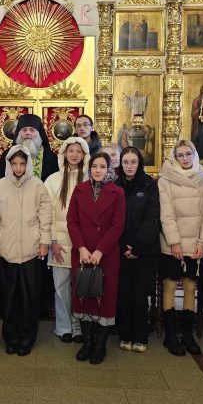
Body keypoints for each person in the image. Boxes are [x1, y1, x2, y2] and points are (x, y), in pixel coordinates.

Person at [0, 145, 52, 356]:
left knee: (29, 296)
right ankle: (10, 336)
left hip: (31, 251)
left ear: (28, 164)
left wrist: (44, 243)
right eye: (14, 163)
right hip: (6, 250)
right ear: (8, 164)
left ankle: (27, 336)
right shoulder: (0, 185)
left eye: (22, 163)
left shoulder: (38, 185)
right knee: (10, 296)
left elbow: (45, 218)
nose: (18, 167)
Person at [67, 152, 126, 364]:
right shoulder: (79, 190)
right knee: (84, 294)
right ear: (89, 168)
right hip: (82, 254)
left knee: (104, 298)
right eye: (94, 166)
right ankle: (88, 342)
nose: (98, 170)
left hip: (106, 255)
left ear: (109, 169)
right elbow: (71, 222)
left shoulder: (117, 192)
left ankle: (100, 345)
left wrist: (100, 250)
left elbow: (117, 225)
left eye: (102, 166)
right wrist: (82, 248)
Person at [157, 140, 203, 356]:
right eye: (180, 155)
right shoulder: (166, 179)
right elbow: (166, 213)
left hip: (196, 244)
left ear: (194, 154)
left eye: (188, 154)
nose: (185, 158)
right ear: (174, 157)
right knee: (170, 286)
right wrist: (175, 242)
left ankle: (188, 335)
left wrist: (202, 242)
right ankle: (171, 336)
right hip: (173, 244)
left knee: (190, 287)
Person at [44, 137, 90, 343]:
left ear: (84, 155)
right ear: (64, 153)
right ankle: (63, 327)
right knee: (61, 287)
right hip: (60, 242)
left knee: (80, 286)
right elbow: (48, 213)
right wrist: (52, 241)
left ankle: (78, 324)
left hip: (83, 243)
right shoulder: (52, 180)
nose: (74, 154)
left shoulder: (90, 178)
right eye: (70, 151)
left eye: (78, 151)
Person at [115, 146, 159, 353]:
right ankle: (126, 333)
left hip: (145, 251)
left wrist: (137, 246)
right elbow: (114, 220)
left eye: (133, 162)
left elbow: (152, 218)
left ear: (139, 163)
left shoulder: (150, 185)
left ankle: (140, 335)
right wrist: (124, 246)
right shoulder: (115, 185)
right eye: (126, 162)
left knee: (140, 295)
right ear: (121, 164)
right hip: (121, 250)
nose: (129, 166)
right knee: (124, 294)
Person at [0, 113, 59, 183]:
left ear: (39, 133)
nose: (28, 133)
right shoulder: (8, 154)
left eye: (32, 130)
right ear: (19, 133)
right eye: (24, 130)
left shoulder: (50, 157)